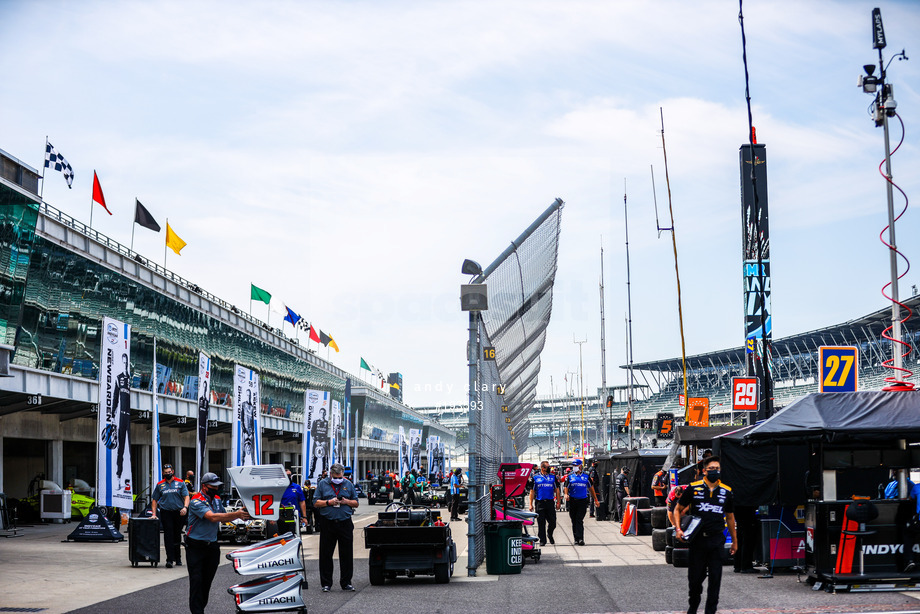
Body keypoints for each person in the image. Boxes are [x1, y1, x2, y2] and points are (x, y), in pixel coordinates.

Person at [675, 456, 737, 614]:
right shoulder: (693, 488)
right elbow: (677, 509)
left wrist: (735, 541)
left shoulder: (727, 491)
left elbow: (730, 517)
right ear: (704, 471)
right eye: (711, 469)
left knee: (715, 579)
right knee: (695, 579)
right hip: (698, 541)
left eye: (717, 469)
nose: (715, 471)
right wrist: (678, 529)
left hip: (716, 540)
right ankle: (693, 606)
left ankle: (711, 611)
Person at [186, 472, 249, 614]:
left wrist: (243, 516)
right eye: (213, 486)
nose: (216, 489)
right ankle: (197, 611)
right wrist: (237, 514)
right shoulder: (196, 501)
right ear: (204, 486)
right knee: (196, 581)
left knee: (206, 582)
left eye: (218, 486)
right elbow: (213, 517)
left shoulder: (217, 500)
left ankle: (200, 608)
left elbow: (223, 518)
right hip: (196, 546)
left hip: (212, 546)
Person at [313, 462, 359, 592]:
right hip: (328, 522)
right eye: (336, 477)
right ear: (331, 474)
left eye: (340, 476)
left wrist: (346, 501)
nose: (338, 479)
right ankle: (326, 583)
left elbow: (356, 503)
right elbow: (315, 502)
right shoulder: (323, 484)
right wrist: (329, 502)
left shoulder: (348, 484)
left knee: (346, 554)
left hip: (344, 522)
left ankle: (346, 582)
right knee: (326, 554)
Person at [150, 463, 189, 568]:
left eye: (169, 472)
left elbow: (186, 496)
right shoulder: (160, 485)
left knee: (177, 534)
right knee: (168, 535)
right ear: (163, 473)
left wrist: (185, 507)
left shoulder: (180, 483)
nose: (168, 474)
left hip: (179, 512)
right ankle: (169, 559)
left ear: (173, 472)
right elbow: (155, 500)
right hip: (166, 512)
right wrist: (154, 514)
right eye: (166, 472)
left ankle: (178, 558)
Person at [564, 459, 598, 546]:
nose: (574, 467)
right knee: (574, 519)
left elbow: (591, 488)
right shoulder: (570, 476)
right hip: (572, 500)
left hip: (582, 500)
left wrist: (596, 500)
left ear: (580, 466)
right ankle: (576, 538)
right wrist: (566, 494)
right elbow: (566, 487)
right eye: (573, 466)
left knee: (579, 519)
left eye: (576, 466)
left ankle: (580, 539)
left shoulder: (586, 476)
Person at [528, 461, 560, 546]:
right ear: (543, 468)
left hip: (550, 502)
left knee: (553, 522)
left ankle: (550, 534)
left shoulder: (553, 477)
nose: (550, 468)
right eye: (548, 467)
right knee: (541, 523)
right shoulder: (535, 477)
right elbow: (532, 491)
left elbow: (557, 490)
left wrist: (558, 502)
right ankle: (542, 539)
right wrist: (530, 504)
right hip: (540, 502)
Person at [112, 353, 132, 491]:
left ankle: (126, 479)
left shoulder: (130, 378)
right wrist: (113, 412)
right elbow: (115, 396)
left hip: (129, 416)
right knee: (120, 448)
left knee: (128, 449)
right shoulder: (119, 378)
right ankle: (118, 478)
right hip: (121, 416)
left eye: (126, 362)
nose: (124, 364)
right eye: (123, 362)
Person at [281, 469, 308, 534]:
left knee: (295, 535)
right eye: (286, 475)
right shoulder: (278, 488)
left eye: (289, 475)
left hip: (294, 517)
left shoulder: (296, 487)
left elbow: (302, 502)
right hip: (281, 517)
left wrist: (304, 517)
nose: (288, 477)